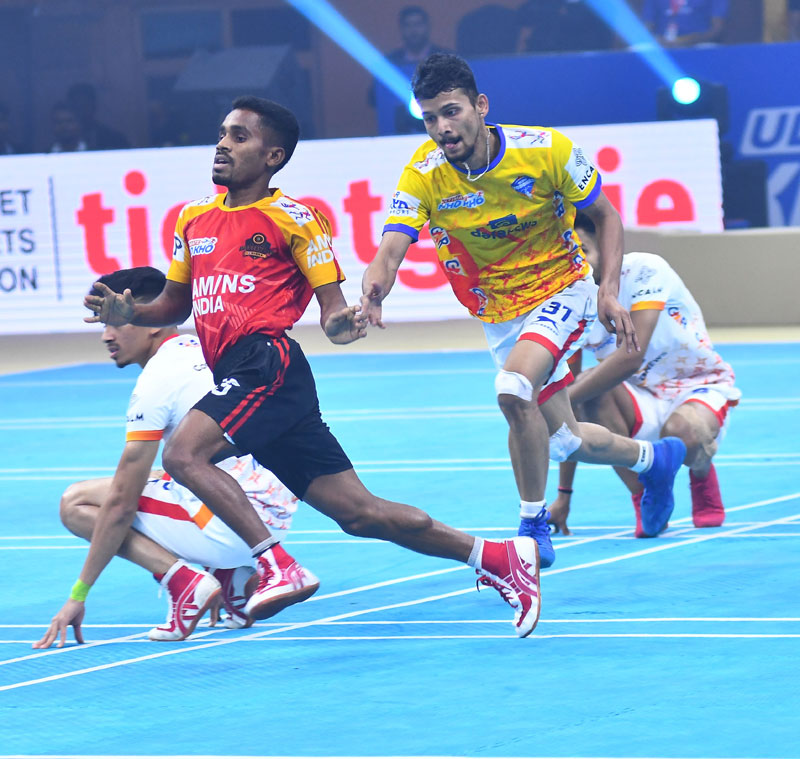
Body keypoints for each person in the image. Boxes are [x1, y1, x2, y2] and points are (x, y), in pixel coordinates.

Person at [84, 95, 544, 638]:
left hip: (267, 364)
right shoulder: (193, 218)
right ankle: (496, 557)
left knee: (184, 454)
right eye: (223, 134)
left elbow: (332, 315)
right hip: (242, 375)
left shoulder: (296, 220)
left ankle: (277, 565)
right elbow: (173, 306)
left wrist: (346, 324)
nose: (222, 145)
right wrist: (130, 312)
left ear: (273, 156)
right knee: (360, 513)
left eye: (239, 137)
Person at [361, 53, 687, 568]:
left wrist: (606, 290)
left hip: (561, 289)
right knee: (565, 441)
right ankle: (654, 459)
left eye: (451, 112)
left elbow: (605, 215)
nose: (442, 128)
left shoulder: (546, 150)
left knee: (513, 389)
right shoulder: (424, 173)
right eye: (429, 118)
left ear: (480, 105)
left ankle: (531, 528)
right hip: (498, 314)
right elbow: (391, 248)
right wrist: (375, 288)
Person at [34, 267, 303, 649]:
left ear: (152, 322)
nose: (106, 335)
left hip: (233, 527)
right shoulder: (205, 349)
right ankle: (232, 578)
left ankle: (185, 582)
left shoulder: (156, 382)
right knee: (165, 474)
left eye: (115, 322)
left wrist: (78, 594)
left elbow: (121, 505)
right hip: (271, 516)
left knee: (77, 502)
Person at [546, 213, 741, 537]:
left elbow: (631, 356)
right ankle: (646, 495)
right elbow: (569, 407)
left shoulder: (644, 269)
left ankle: (701, 467)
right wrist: (563, 496)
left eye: (583, 251)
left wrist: (548, 404)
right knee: (584, 392)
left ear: (605, 248)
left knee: (681, 431)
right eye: (566, 256)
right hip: (638, 397)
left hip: (698, 386)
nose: (575, 263)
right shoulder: (571, 303)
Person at [369, 6, 451, 135]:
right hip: (399, 132)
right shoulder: (389, 63)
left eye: (418, 24)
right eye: (408, 25)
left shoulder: (446, 58)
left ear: (427, 27)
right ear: (401, 29)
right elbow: (373, 98)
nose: (414, 30)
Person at [67, 83, 131, 151]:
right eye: (78, 107)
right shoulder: (63, 139)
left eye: (85, 105)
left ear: (94, 106)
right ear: (70, 109)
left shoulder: (114, 139)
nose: (82, 112)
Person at [641, 0, 728, 47]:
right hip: (662, 45)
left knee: (710, 49)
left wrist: (690, 40)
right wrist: (658, 40)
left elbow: (717, 28)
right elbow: (647, 25)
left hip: (698, 45)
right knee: (638, 50)